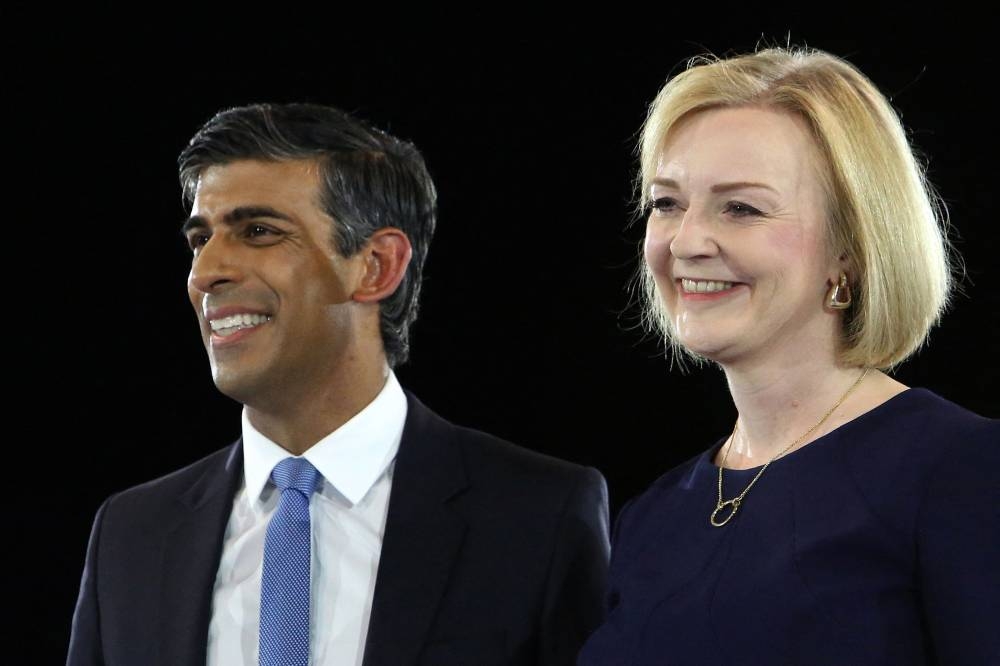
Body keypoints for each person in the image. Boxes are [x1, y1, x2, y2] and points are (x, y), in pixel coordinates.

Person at [67, 103, 610, 666]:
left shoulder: (536, 516)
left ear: (376, 265)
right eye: (200, 239)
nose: (206, 273)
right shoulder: (132, 536)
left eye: (257, 232)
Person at [578, 47, 999, 665]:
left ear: (850, 252)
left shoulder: (964, 472)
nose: (686, 241)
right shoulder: (654, 515)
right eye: (667, 203)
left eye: (741, 207)